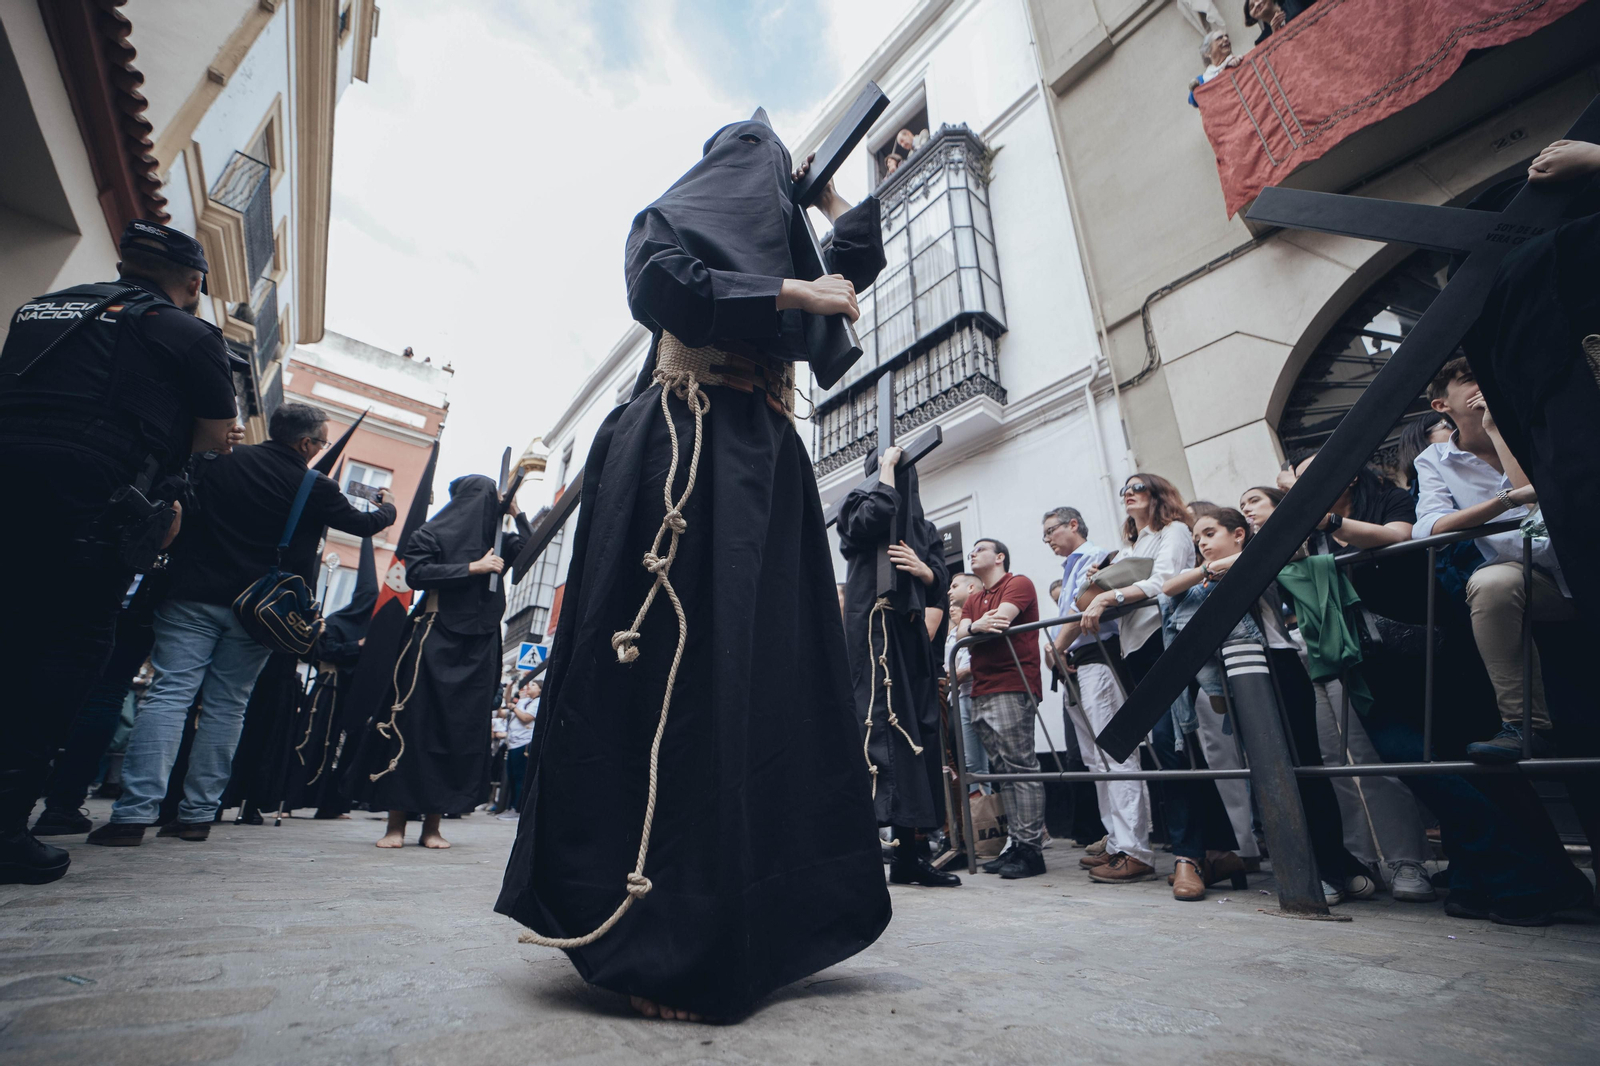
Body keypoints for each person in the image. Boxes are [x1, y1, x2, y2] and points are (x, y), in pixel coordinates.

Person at [496, 113, 891, 1023]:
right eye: (756, 167)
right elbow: (664, 285)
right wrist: (796, 289)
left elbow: (852, 264)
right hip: (679, 448)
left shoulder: (784, 240)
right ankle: (649, 929)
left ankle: (758, 917)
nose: (762, 181)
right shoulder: (669, 220)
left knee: (760, 683)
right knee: (678, 676)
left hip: (762, 459)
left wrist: (820, 194)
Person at [0, 221, 242, 884]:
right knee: (69, 646)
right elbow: (217, 438)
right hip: (93, 499)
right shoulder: (189, 332)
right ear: (193, 283)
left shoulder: (46, 305)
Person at [83, 403, 395, 846]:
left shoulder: (218, 462)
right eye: (321, 442)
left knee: (168, 697)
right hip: (262, 611)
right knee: (229, 706)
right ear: (306, 444)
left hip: (192, 594)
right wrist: (390, 508)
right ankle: (197, 815)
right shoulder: (313, 484)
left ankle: (133, 815)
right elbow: (365, 524)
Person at [344, 474, 528, 848]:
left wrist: (517, 512)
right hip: (433, 638)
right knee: (413, 725)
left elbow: (527, 550)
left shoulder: (497, 541)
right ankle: (395, 825)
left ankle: (433, 826)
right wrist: (471, 569)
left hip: (478, 647)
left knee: (457, 733)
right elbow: (415, 573)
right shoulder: (432, 533)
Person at [1414, 357, 1574, 761]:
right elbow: (1428, 527)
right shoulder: (1433, 460)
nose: (1481, 387)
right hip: (1538, 580)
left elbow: (1533, 494)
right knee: (1490, 582)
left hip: (1583, 562)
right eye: (1468, 381)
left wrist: (1498, 430)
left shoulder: (1531, 425)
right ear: (1441, 405)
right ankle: (1525, 728)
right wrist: (1502, 501)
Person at [837, 445, 957, 888]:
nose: (898, 477)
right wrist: (885, 468)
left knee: (917, 736)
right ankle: (862, 852)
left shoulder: (923, 529)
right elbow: (872, 519)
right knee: (875, 732)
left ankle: (912, 854)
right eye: (890, 469)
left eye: (903, 470)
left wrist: (924, 572)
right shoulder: (858, 504)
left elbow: (940, 583)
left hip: (910, 643)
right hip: (872, 631)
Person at [1077, 474, 1197, 884]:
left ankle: (1194, 853)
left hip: (1163, 640)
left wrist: (1113, 594)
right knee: (1164, 747)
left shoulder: (1175, 530)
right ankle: (1194, 851)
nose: (1128, 493)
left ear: (1158, 494)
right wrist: (1104, 578)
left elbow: (1165, 581)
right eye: (1124, 489)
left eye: (1138, 487)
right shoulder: (1132, 545)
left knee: (1175, 743)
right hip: (1136, 648)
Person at [1044, 507, 1154, 883]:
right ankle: (1117, 842)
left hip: (1098, 659)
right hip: (1078, 663)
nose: (1047, 540)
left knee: (1114, 754)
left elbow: (1083, 607)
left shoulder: (1100, 557)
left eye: (1051, 531)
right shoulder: (1072, 566)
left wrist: (1057, 646)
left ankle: (1134, 848)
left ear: (1073, 524)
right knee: (1096, 761)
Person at [955, 538, 1047, 880]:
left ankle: (1031, 850)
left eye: (980, 549)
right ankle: (1016, 845)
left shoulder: (1017, 583)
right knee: (1005, 772)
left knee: (1020, 768)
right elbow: (963, 629)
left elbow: (1001, 621)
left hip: (1012, 684)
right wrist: (975, 626)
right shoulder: (975, 598)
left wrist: (975, 627)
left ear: (1000, 556)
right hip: (981, 687)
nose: (972, 553)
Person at [286, 536, 380, 820]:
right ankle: (291, 800)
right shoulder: (338, 622)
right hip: (328, 692)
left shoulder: (374, 628)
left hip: (353, 696)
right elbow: (324, 651)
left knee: (345, 751)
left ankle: (332, 805)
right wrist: (357, 647)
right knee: (313, 744)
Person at [946, 573, 988, 782]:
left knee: (996, 758)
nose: (949, 591)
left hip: (984, 690)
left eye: (954, 586)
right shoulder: (955, 631)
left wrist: (967, 670)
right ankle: (982, 814)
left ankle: (999, 812)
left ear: (971, 588)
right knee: (971, 763)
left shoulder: (986, 611)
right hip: (961, 695)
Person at [500, 679, 538, 821]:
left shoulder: (536, 702)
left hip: (524, 743)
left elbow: (526, 718)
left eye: (533, 685)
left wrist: (513, 708)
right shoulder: (523, 702)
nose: (529, 687)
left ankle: (518, 808)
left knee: (519, 777)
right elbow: (509, 702)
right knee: (511, 776)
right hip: (512, 743)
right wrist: (509, 688)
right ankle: (511, 807)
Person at [1188, 29, 1241, 108]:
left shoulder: (1237, 61)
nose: (1226, 39)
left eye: (1226, 36)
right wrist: (1195, 88)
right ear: (1208, 53)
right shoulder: (1203, 79)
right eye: (1219, 38)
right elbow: (1193, 101)